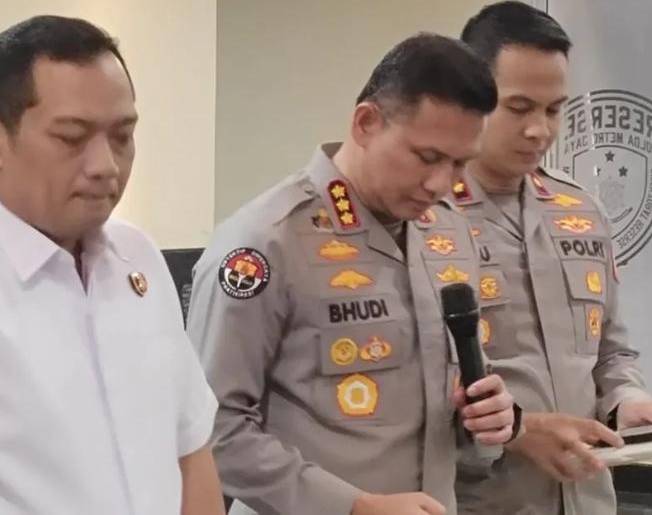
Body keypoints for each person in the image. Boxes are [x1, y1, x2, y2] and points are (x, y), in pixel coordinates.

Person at [187, 33, 518, 515]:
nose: (441, 184)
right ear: (366, 123)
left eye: (460, 164)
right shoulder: (266, 242)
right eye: (427, 158)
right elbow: (211, 429)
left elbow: (451, 397)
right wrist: (354, 507)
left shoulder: (448, 233)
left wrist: (491, 415)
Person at [0, 15, 225, 515]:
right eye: (72, 138)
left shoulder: (137, 257)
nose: (105, 166)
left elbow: (189, 450)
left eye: (122, 137)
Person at [452, 0, 652, 515]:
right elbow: (410, 387)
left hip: (586, 499)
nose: (540, 130)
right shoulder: (423, 216)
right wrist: (521, 430)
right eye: (519, 108)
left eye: (554, 110)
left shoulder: (580, 210)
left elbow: (610, 351)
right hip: (480, 501)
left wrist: (627, 402)